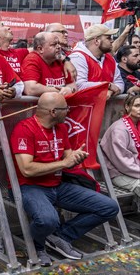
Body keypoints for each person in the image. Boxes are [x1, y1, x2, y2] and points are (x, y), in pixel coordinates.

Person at [10, 92, 119, 266]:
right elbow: (27, 169)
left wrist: (75, 157)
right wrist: (64, 162)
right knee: (47, 219)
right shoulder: (24, 129)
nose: (68, 111)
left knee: (109, 207)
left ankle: (59, 237)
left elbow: (67, 158)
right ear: (53, 112)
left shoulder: (60, 128)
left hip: (58, 185)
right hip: (31, 186)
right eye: (65, 109)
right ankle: (38, 247)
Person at [100, 94, 140, 197]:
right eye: (137, 106)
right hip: (120, 173)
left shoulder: (138, 126)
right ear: (127, 107)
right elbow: (122, 162)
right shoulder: (119, 129)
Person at [69, 24, 124, 98]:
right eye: (108, 38)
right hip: (83, 108)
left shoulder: (110, 58)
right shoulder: (78, 57)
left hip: (103, 108)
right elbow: (79, 85)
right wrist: (108, 86)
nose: (112, 41)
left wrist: (110, 91)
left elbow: (120, 83)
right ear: (96, 41)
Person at [21, 32, 76, 96]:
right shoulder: (32, 59)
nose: (59, 47)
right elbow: (30, 89)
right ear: (40, 49)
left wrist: (69, 90)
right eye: (54, 44)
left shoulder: (62, 60)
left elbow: (73, 86)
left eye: (58, 43)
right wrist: (62, 90)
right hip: (40, 105)